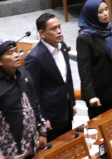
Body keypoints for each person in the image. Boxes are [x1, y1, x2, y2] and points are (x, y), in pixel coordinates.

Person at [0, 39, 47, 159]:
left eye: (16, 51)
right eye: (10, 53)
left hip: (33, 147)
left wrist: (42, 131)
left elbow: (34, 103)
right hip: (8, 156)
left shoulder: (24, 73)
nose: (16, 55)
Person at [24, 13, 75, 142]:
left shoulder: (63, 47)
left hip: (66, 111)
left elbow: (67, 79)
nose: (59, 31)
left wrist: (72, 102)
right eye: (53, 29)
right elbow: (33, 92)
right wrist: (42, 118)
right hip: (50, 118)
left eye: (59, 27)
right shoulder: (34, 58)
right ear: (42, 33)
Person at [76, 0, 112, 119]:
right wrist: (91, 96)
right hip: (99, 96)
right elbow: (84, 71)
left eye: (106, 9)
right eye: (100, 12)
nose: (105, 13)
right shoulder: (84, 38)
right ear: (92, 15)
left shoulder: (109, 29)